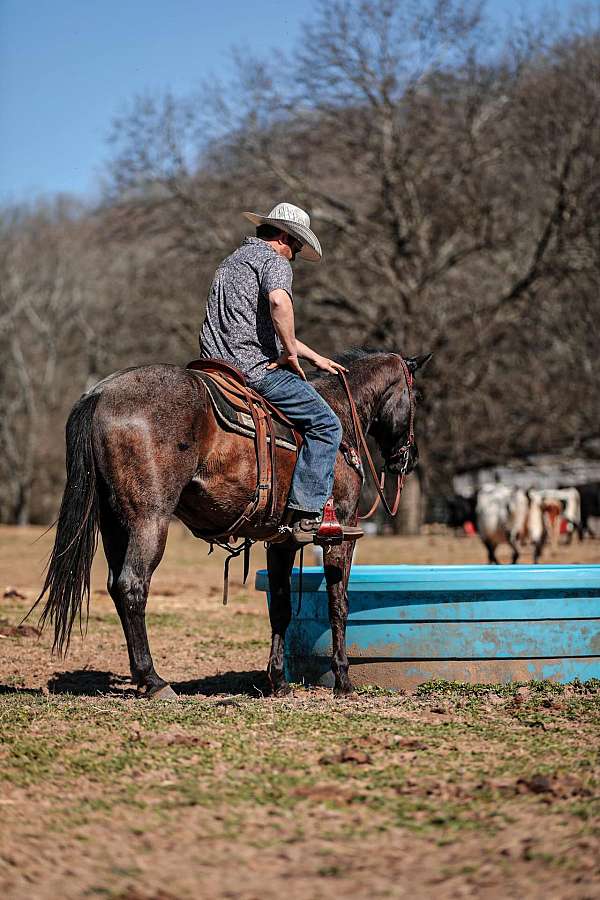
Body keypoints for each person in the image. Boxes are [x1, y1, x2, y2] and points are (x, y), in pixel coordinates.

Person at [200, 201, 362, 543]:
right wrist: (290, 354)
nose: (295, 255)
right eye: (297, 247)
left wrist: (313, 356)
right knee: (326, 424)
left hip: (214, 365)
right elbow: (279, 304)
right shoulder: (272, 261)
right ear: (284, 237)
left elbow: (258, 324)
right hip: (252, 369)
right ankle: (306, 515)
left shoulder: (230, 263)